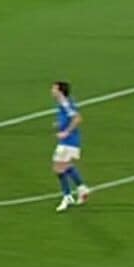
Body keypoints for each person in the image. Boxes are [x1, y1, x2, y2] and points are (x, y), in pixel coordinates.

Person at [52, 81, 92, 212]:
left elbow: (77, 118)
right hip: (70, 141)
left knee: (58, 168)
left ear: (60, 91)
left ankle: (67, 196)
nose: (52, 91)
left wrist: (66, 132)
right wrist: (60, 124)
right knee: (66, 166)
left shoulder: (65, 103)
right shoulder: (63, 102)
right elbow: (69, 117)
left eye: (54, 88)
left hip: (69, 141)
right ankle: (82, 189)